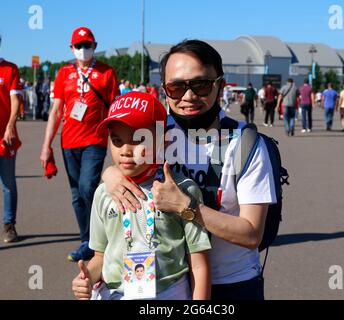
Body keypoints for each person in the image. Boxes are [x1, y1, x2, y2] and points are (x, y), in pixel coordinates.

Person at [102, 40, 277, 300]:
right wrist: (111, 175)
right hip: (168, 283)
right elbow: (124, 155)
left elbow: (252, 234)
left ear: (219, 84)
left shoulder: (246, 144)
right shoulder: (157, 133)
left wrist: (187, 207)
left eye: (201, 85)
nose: (188, 96)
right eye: (176, 87)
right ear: (164, 90)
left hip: (231, 282)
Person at [71, 91, 211, 300]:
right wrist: (87, 278)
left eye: (138, 140)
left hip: (168, 293)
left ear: (163, 141)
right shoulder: (104, 193)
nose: (126, 150)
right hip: (114, 293)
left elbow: (199, 266)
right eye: (117, 140)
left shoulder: (182, 191)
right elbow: (100, 256)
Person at [40, 27, 119, 261]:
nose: (83, 50)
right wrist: (47, 145)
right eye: (78, 46)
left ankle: (102, 236)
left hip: (95, 139)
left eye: (87, 45)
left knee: (87, 186)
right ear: (71, 48)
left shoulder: (107, 72)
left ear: (95, 46)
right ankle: (87, 240)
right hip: (69, 140)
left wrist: (118, 145)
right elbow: (55, 111)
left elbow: (115, 109)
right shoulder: (64, 73)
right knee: (76, 194)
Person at [0, 40, 22, 243]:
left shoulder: (9, 69)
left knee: (8, 184)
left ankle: (9, 225)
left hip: (5, 138)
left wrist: (9, 126)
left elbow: (15, 100)